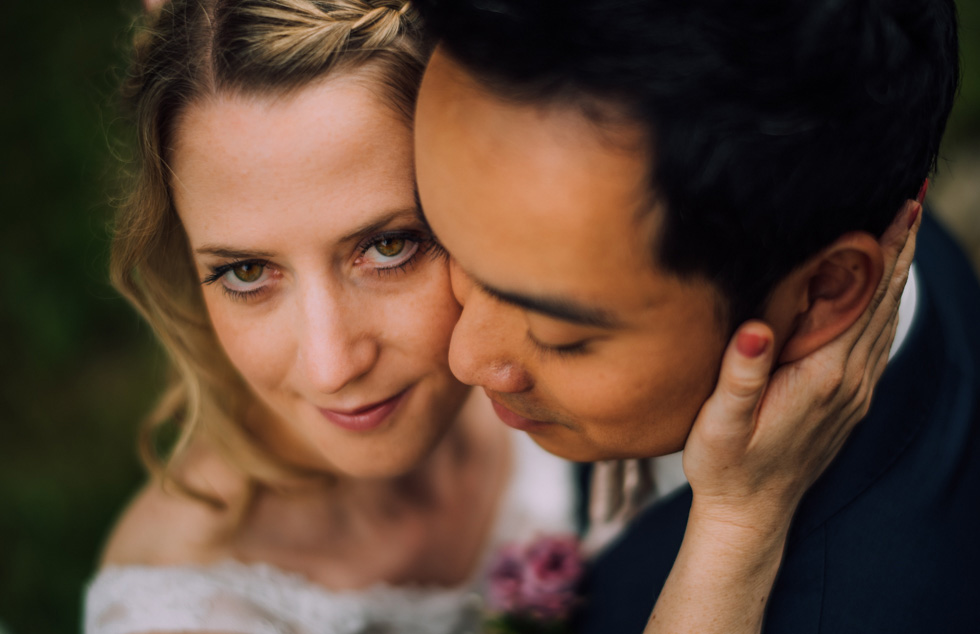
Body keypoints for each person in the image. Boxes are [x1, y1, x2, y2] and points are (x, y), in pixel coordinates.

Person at [86, 1, 916, 633]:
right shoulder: (185, 609)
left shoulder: (575, 346)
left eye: (389, 247)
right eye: (243, 272)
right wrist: (738, 526)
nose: (330, 362)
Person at [411, 0, 980, 632]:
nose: (463, 356)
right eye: (438, 239)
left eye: (561, 335)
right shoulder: (845, 181)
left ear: (824, 292)